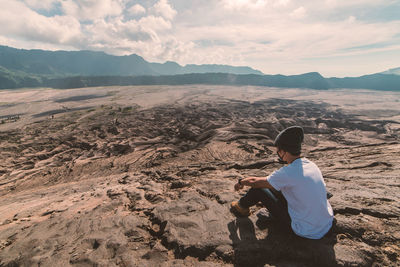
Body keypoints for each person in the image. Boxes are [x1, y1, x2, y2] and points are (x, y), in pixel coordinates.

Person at [231, 126, 334, 239]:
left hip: (304, 229)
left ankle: (241, 207)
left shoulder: (288, 172)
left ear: (283, 151)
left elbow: (255, 182)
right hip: (325, 223)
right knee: (275, 186)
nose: (277, 153)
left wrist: (241, 181)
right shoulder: (311, 165)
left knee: (258, 188)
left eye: (278, 150)